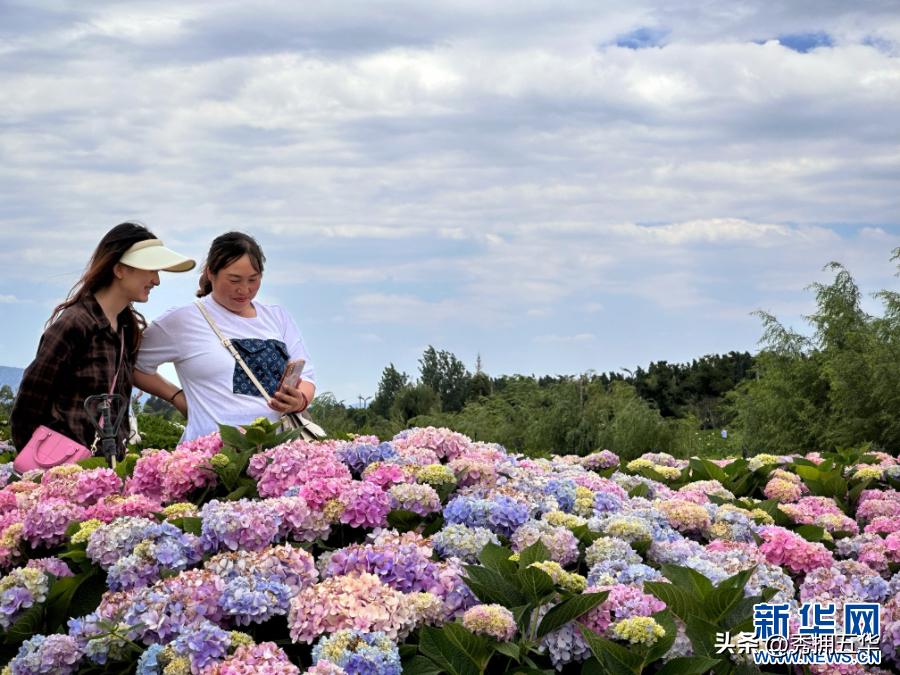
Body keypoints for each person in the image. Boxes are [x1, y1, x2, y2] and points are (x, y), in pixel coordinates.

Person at [10, 222, 196, 452]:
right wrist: (36, 466)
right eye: (151, 270)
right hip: (63, 470)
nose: (156, 280)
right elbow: (29, 402)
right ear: (119, 269)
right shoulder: (75, 323)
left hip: (105, 468)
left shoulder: (126, 329)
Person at [134, 232, 316, 441]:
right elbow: (133, 366)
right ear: (211, 273)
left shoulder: (277, 317)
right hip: (212, 458)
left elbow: (307, 376)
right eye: (234, 280)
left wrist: (300, 400)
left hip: (280, 455)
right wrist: (176, 397)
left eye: (253, 280)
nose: (244, 289)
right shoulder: (182, 320)